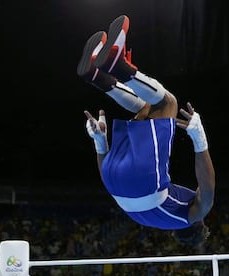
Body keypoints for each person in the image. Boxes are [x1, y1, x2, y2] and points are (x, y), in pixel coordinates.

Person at [77, 15, 215, 246]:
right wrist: (101, 144)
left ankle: (118, 67)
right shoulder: (152, 220)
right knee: (147, 107)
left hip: (144, 182)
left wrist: (199, 139)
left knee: (168, 103)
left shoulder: (190, 217)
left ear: (197, 227)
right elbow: (114, 180)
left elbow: (208, 190)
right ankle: (98, 77)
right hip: (113, 181)